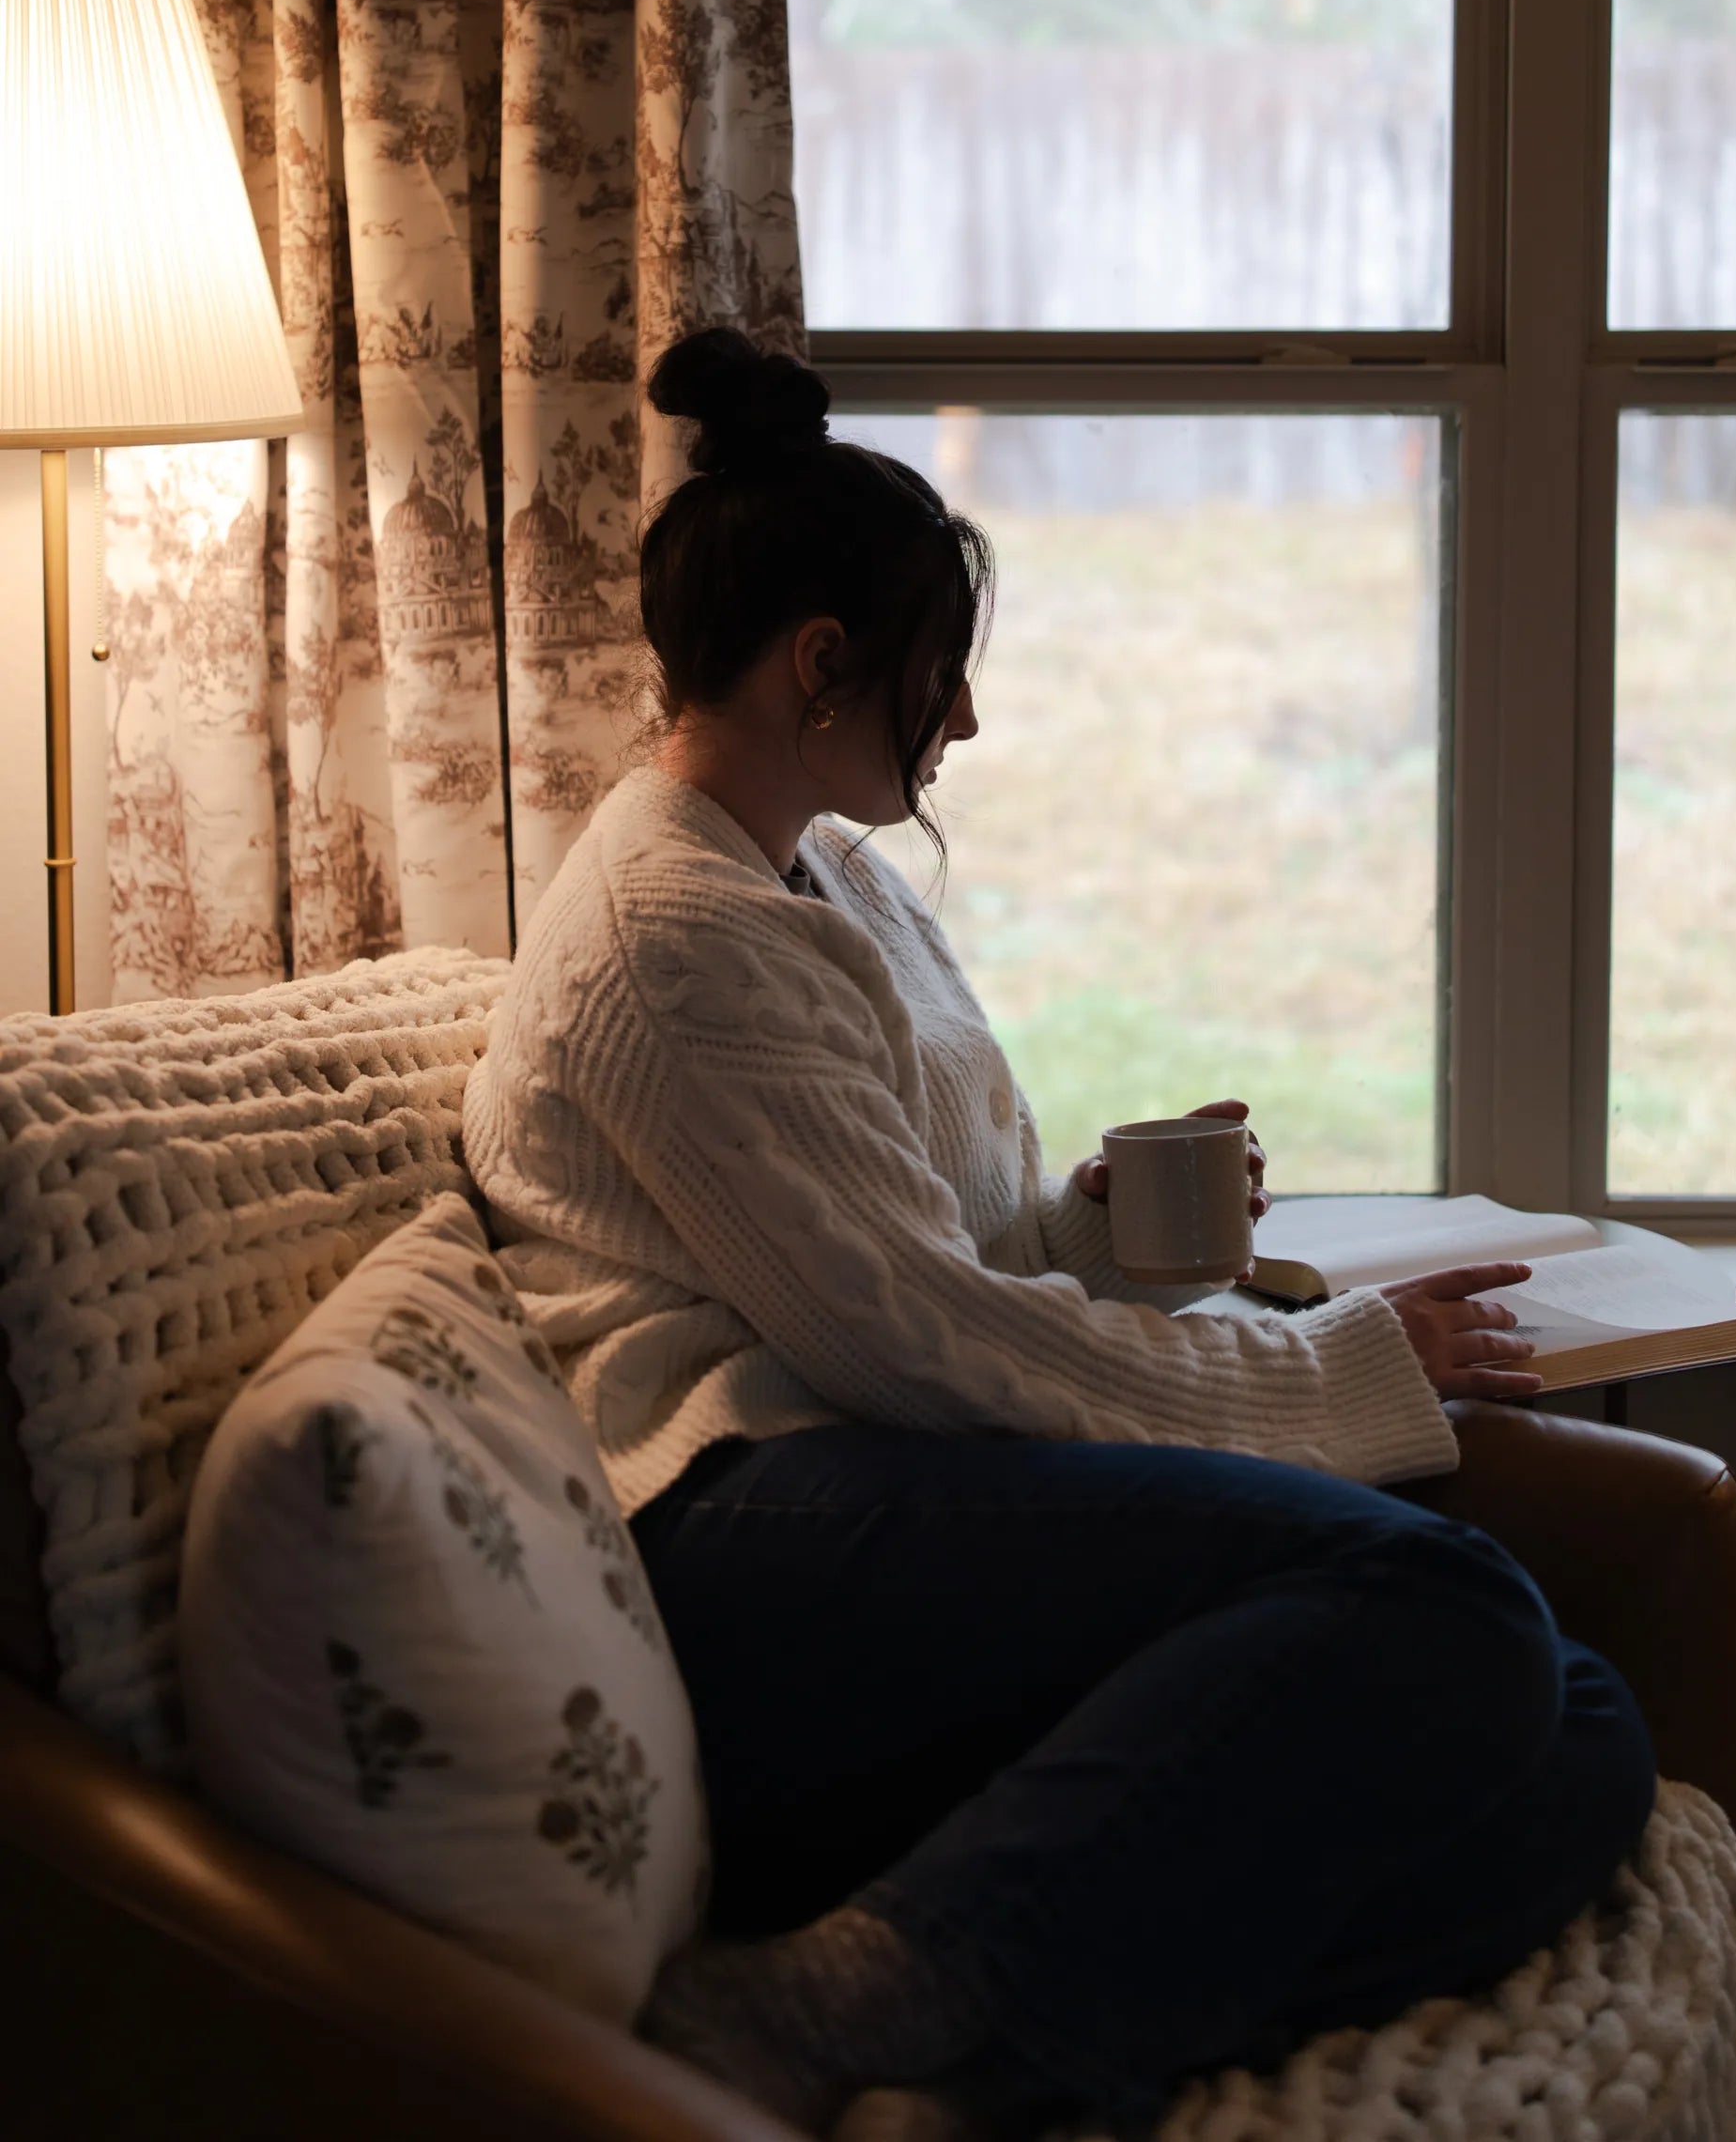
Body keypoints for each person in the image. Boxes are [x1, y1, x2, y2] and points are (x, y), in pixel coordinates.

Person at [462, 329, 1657, 2142]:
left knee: (1578, 1741)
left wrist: (1089, 1232)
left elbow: (926, 1253)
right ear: (820, 665)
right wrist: (1333, 1368)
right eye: (939, 679)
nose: (963, 724)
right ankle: (810, 1999)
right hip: (747, 1534)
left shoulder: (826, 873)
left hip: (883, 1471)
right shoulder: (669, 933)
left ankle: (999, 2030)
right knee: (1434, 1596)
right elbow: (915, 1342)